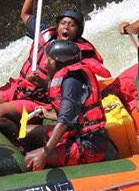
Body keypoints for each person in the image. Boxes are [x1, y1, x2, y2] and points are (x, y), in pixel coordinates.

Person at [0, 0, 109, 140]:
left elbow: (68, 86)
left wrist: (43, 81)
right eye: (63, 23)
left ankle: (18, 143)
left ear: (78, 30)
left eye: (72, 25)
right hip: (18, 87)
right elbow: (25, 14)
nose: (66, 27)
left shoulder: (77, 55)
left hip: (40, 99)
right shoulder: (44, 33)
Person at [23, 40, 112, 171]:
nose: (46, 63)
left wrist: (44, 154)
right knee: (27, 132)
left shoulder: (72, 81)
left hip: (88, 144)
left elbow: (64, 122)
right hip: (75, 134)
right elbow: (75, 114)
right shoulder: (69, 77)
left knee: (30, 159)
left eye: (49, 60)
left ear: (57, 63)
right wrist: (48, 114)